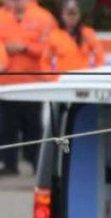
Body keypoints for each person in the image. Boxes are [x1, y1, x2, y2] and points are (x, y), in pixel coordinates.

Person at [0, 0, 56, 175]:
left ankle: (36, 164)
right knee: (6, 127)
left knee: (33, 126)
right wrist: (5, 50)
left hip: (32, 82)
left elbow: (50, 46)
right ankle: (9, 164)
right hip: (6, 83)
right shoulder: (1, 16)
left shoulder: (43, 17)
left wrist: (26, 48)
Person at [43, 0, 105, 73]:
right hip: (63, 80)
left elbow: (100, 56)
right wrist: (52, 78)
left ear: (79, 14)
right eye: (68, 14)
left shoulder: (88, 34)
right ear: (62, 15)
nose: (71, 18)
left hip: (83, 79)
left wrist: (95, 75)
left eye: (74, 13)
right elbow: (45, 61)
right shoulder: (54, 35)